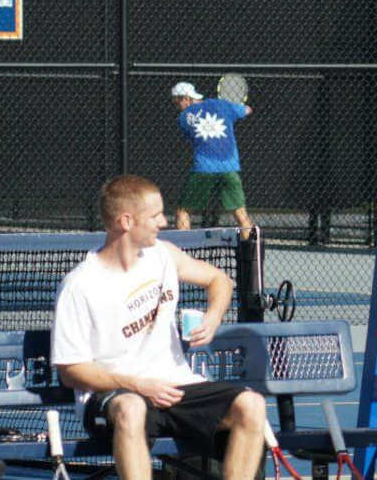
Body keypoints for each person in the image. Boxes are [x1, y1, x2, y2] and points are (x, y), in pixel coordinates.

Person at [51, 174, 266, 480]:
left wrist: (214, 315)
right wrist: (137, 385)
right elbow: (71, 370)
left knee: (251, 405)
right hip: (116, 395)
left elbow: (219, 279)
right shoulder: (80, 285)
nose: (163, 222)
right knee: (131, 409)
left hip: (176, 386)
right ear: (126, 221)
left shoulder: (163, 256)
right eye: (154, 216)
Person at [171, 81, 254, 239]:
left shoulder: (183, 118)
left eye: (176, 102)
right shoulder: (223, 105)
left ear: (185, 99)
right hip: (229, 168)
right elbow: (248, 110)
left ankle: (183, 252)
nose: (176, 106)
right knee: (241, 214)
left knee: (183, 211)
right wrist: (237, 108)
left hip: (203, 169)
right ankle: (252, 254)